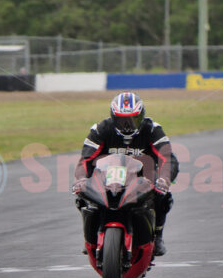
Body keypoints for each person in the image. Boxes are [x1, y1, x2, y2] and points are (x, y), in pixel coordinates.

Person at [72, 92, 178, 256]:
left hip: (143, 178)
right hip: (108, 178)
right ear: (113, 117)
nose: (127, 125)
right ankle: (90, 237)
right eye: (122, 120)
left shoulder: (153, 129)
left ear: (141, 116)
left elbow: (167, 157)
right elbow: (85, 160)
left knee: (164, 196)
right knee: (82, 195)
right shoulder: (100, 129)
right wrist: (81, 179)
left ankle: (157, 235)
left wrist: (164, 180)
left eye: (133, 120)